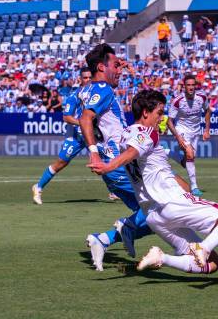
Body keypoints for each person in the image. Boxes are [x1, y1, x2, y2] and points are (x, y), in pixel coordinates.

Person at [88, 89, 218, 274]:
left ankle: (163, 258)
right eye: (159, 113)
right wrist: (108, 167)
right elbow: (133, 152)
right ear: (146, 112)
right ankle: (204, 247)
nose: (162, 118)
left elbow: (145, 157)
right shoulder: (148, 133)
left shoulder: (125, 135)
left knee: (212, 264)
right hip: (171, 203)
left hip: (153, 216)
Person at [79, 44, 151, 270]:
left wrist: (123, 67)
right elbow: (84, 119)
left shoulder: (86, 90)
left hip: (114, 167)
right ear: (101, 66)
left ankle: (109, 238)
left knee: (155, 219)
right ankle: (111, 235)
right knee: (159, 209)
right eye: (115, 65)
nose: (119, 70)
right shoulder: (104, 90)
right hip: (119, 165)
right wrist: (94, 153)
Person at [32, 67, 91, 205]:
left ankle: (114, 190)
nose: (88, 80)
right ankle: (38, 187)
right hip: (75, 136)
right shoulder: (74, 96)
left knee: (105, 159)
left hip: (91, 134)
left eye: (90, 77)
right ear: (80, 80)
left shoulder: (98, 94)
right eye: (85, 78)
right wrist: (82, 123)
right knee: (61, 163)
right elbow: (67, 118)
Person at [167, 74, 212, 197]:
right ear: (184, 87)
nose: (191, 87)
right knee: (190, 155)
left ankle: (169, 153)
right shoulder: (177, 101)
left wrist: (207, 130)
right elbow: (169, 121)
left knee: (188, 159)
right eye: (188, 85)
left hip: (196, 131)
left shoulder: (202, 97)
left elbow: (208, 111)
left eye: (193, 85)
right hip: (182, 130)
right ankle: (194, 187)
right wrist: (178, 136)